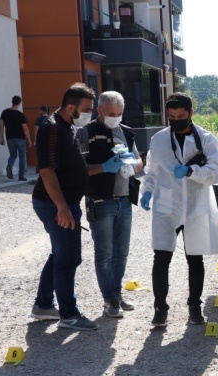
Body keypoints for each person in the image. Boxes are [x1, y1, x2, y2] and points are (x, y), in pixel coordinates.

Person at [140, 92, 218, 327]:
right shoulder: (158, 140)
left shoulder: (206, 140)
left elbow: (215, 173)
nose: (176, 120)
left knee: (194, 257)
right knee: (161, 257)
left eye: (181, 115)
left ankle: (194, 307)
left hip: (196, 205)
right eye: (172, 116)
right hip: (167, 205)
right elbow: (152, 171)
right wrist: (147, 190)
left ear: (191, 114)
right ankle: (160, 309)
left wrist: (191, 172)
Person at [29, 82, 98, 331]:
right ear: (71, 107)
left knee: (60, 254)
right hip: (55, 204)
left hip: (65, 202)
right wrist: (62, 208)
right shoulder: (52, 129)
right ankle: (69, 315)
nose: (91, 113)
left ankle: (43, 305)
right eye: (87, 109)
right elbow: (47, 171)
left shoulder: (67, 127)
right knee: (68, 258)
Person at [76, 91, 143, 318]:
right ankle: (109, 300)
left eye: (120, 113)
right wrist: (104, 167)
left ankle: (116, 293)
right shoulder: (87, 133)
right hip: (101, 200)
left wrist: (133, 164)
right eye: (111, 113)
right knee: (104, 253)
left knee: (121, 253)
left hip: (124, 200)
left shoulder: (126, 132)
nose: (116, 117)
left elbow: (139, 159)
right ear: (100, 110)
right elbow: (78, 169)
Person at [0, 95, 31, 181]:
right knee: (22, 157)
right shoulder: (20, 115)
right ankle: (21, 176)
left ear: (12, 101)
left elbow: (1, 126)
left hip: (10, 138)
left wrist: (1, 138)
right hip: (20, 138)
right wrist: (29, 140)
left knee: (13, 155)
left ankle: (9, 165)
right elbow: (25, 129)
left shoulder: (4, 112)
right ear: (19, 103)